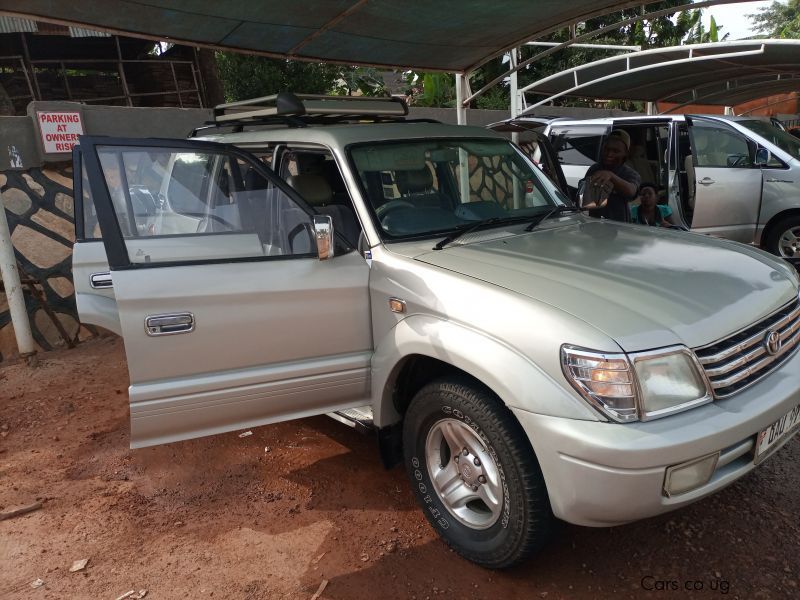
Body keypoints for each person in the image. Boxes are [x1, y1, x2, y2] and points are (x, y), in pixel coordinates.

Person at [582, 130, 640, 222]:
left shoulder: (630, 174)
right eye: (607, 149)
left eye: (615, 151)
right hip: (595, 226)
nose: (609, 154)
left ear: (625, 153)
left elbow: (631, 191)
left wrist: (611, 176)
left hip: (619, 227)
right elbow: (584, 198)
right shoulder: (594, 169)